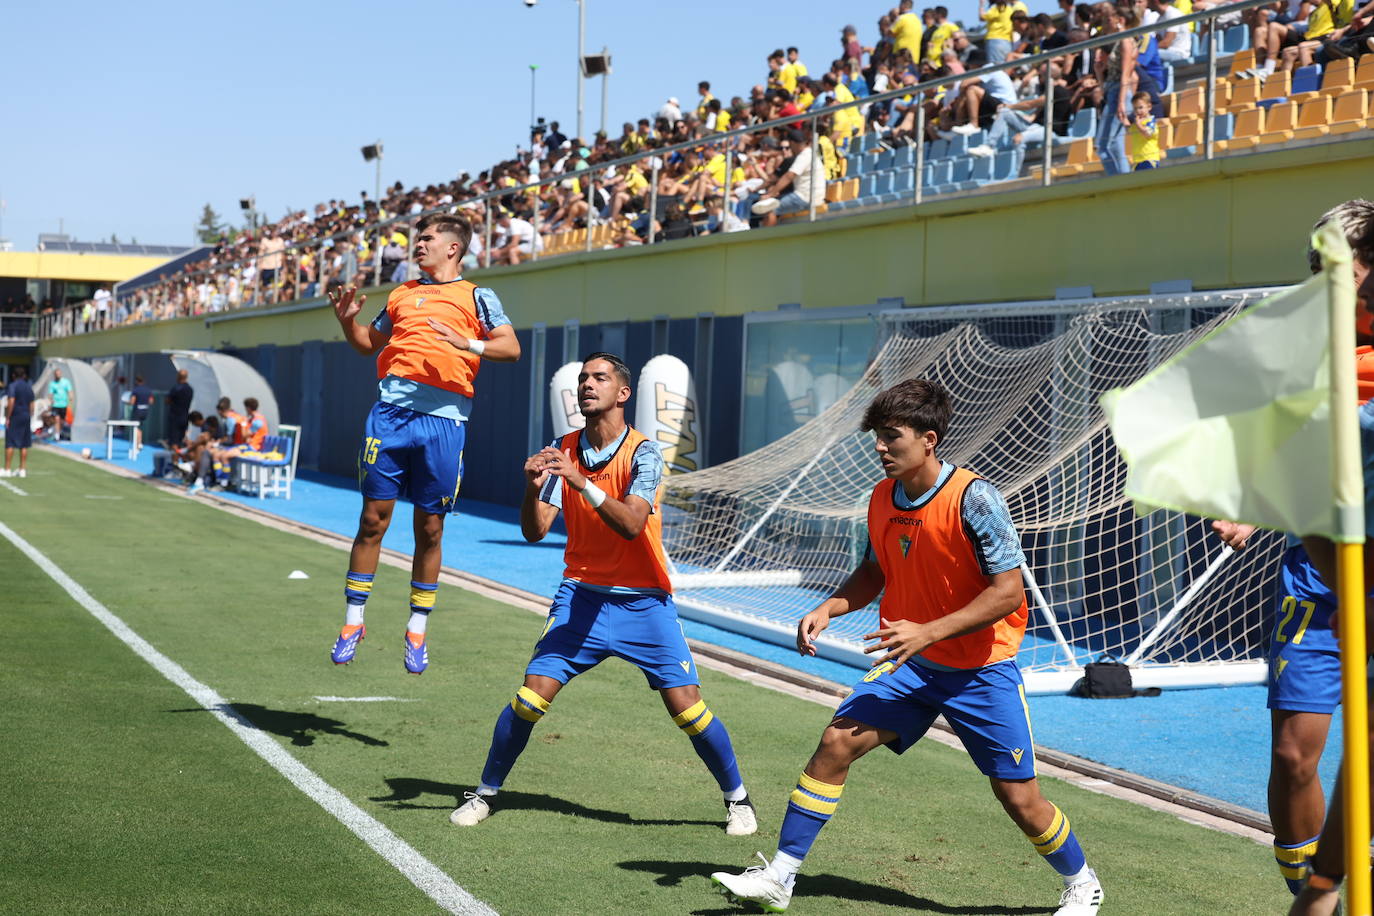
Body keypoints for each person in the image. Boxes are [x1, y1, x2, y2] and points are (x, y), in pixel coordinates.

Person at [711, 379, 1102, 916]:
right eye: (876, 436)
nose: (880, 447)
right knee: (835, 744)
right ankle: (781, 876)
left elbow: (1008, 592)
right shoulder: (879, 497)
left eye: (891, 436)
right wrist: (830, 606)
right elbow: (874, 570)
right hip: (912, 666)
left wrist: (929, 630)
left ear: (929, 439)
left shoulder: (975, 498)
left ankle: (1082, 883)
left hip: (981, 670)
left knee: (1020, 799)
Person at [448, 353, 757, 836]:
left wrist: (580, 483)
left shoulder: (645, 453)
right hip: (581, 597)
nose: (587, 385)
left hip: (644, 602)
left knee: (689, 711)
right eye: (582, 379)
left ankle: (738, 799)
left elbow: (633, 523)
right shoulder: (561, 448)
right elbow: (536, 531)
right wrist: (532, 491)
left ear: (623, 393)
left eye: (599, 378)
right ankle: (485, 793)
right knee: (530, 700)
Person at [1206, 201, 1374, 916]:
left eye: (1333, 264)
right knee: (1293, 756)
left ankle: (1333, 888)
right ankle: (1315, 890)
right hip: (1317, 571)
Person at [329, 212, 520, 674]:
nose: (419, 244)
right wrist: (347, 322)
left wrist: (466, 343)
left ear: (453, 247)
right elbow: (365, 344)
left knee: (430, 528)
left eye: (428, 238)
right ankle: (354, 621)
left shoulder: (477, 295)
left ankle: (417, 629)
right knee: (373, 519)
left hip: (444, 422)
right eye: (418, 237)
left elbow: (510, 348)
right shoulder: (401, 294)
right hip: (390, 416)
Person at [3, 367, 35, 478]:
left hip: (15, 415)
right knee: (24, 443)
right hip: (26, 416)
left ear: (13, 376)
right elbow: (32, 404)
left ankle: (7, 469)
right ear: (24, 376)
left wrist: (8, 417)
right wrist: (30, 415)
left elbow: (11, 401)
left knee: (10, 442)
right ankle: (22, 469)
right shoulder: (28, 387)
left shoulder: (13, 386)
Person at [1127, 91, 1161, 170]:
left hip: (1149, 159)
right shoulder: (1136, 124)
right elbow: (1128, 131)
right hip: (1137, 161)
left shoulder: (1151, 121)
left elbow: (1147, 133)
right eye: (1135, 108)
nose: (1138, 111)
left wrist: (1138, 124)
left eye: (1140, 107)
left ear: (1149, 107)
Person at [166, 369, 194, 448]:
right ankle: (181, 456)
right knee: (181, 439)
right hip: (185, 417)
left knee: (174, 441)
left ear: (178, 376)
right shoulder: (190, 389)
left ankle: (175, 458)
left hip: (175, 417)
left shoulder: (176, 388)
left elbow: (168, 400)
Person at [129, 375, 154, 452]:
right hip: (145, 411)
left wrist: (128, 402)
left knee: (136, 428)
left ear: (137, 381)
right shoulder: (148, 390)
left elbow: (132, 402)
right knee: (139, 427)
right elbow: (151, 401)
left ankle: (136, 446)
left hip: (138, 411)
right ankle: (139, 443)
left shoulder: (136, 390)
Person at [47, 366, 73, 441]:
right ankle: (57, 436)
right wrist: (50, 401)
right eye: (56, 374)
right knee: (57, 419)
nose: (58, 375)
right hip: (56, 405)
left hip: (63, 404)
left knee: (62, 421)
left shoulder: (66, 382)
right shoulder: (52, 384)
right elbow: (50, 394)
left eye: (59, 373)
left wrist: (71, 397)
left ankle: (57, 431)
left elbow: (70, 391)